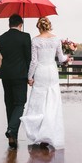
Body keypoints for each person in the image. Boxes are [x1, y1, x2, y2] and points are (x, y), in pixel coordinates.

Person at [20, 17, 72, 149]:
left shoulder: (36, 40)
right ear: (49, 26)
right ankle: (49, 132)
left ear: (39, 27)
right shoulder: (56, 39)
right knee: (52, 102)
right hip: (52, 72)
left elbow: (34, 62)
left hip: (41, 72)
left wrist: (30, 77)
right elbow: (61, 58)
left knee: (39, 103)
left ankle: (39, 132)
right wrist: (68, 56)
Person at [0, 14, 31, 149]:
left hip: (6, 74)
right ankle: (12, 130)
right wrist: (30, 75)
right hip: (20, 75)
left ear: (9, 24)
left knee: (9, 104)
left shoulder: (1, 38)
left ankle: (13, 137)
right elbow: (28, 57)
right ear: (20, 24)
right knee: (20, 103)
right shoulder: (25, 37)